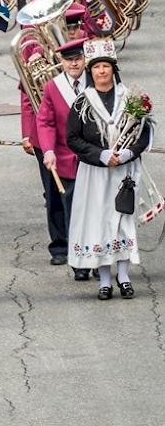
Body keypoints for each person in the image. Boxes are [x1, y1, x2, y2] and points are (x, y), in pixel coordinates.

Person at [67, 39, 151, 300]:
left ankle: (124, 277)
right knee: (99, 223)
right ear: (90, 72)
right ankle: (104, 280)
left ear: (113, 69)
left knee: (123, 221)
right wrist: (101, 154)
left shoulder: (131, 98)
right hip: (95, 173)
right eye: (97, 67)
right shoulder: (82, 102)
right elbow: (73, 138)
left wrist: (129, 152)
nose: (102, 71)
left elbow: (144, 133)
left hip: (124, 173)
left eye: (106, 66)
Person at [36, 39, 89, 278]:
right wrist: (47, 150)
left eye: (78, 59)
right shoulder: (52, 87)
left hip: (93, 159)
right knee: (74, 212)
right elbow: (45, 121)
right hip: (66, 160)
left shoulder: (96, 81)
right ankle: (79, 263)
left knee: (96, 209)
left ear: (84, 59)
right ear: (61, 62)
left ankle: (99, 259)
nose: (74, 63)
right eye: (69, 60)